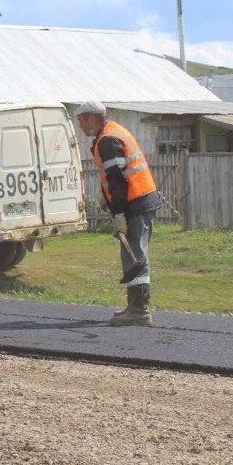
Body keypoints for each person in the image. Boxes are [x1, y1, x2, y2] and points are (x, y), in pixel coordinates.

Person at [76, 100, 160, 326]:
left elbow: (117, 180)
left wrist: (120, 215)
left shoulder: (107, 140)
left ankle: (140, 311)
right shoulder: (112, 133)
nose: (81, 126)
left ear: (92, 118)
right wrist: (107, 198)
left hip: (136, 204)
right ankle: (135, 307)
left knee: (135, 254)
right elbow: (117, 176)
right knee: (132, 253)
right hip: (140, 200)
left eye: (81, 121)